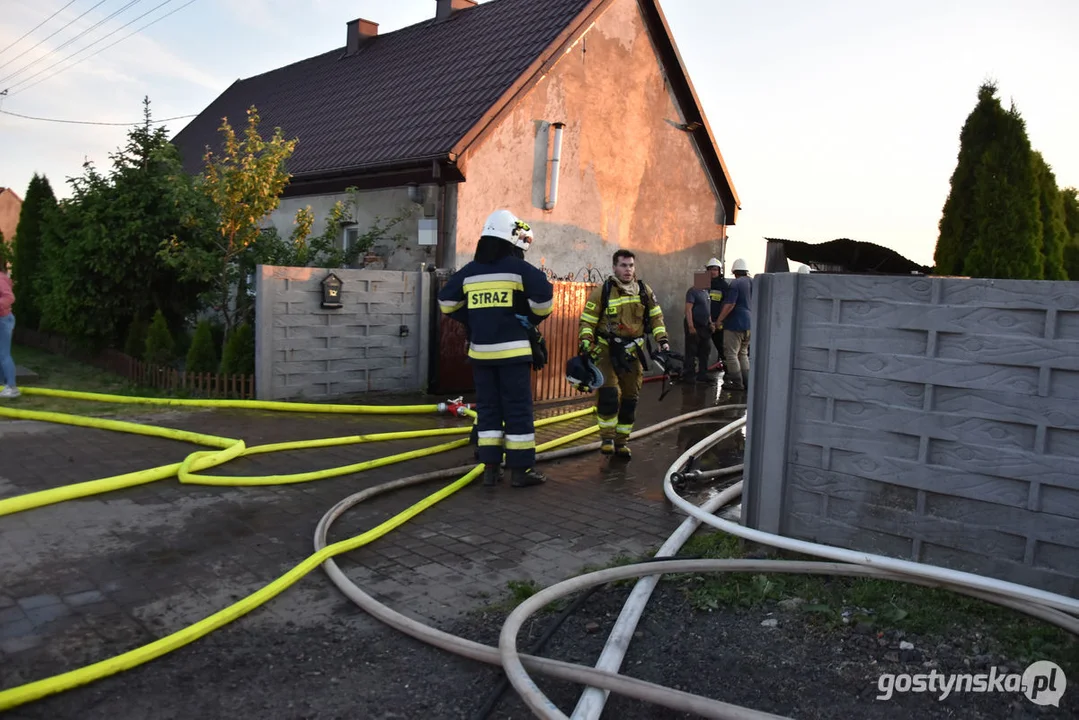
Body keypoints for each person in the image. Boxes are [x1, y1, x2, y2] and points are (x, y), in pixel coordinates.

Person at [438, 209, 553, 488]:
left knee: (489, 410)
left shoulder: (470, 272)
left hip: (481, 354)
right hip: (513, 354)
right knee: (517, 410)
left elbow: (446, 303)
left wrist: (475, 318)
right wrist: (529, 317)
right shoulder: (518, 269)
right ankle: (521, 471)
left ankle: (491, 468)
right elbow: (545, 298)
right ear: (510, 240)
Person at [577, 249, 670, 458]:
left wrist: (662, 340)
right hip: (606, 350)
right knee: (609, 394)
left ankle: (621, 442)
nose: (628, 270)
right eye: (623, 265)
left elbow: (656, 317)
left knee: (631, 398)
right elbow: (588, 320)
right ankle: (607, 438)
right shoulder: (603, 291)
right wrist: (585, 340)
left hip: (632, 352)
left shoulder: (643, 291)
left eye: (631, 266)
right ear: (614, 267)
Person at [715, 258, 752, 391]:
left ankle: (737, 383)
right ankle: (747, 383)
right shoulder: (752, 282)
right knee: (742, 353)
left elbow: (730, 304)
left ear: (734, 271)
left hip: (735, 323)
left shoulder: (736, 284)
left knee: (731, 354)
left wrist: (719, 320)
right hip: (749, 324)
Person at [683, 272, 712, 382]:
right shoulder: (692, 291)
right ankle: (689, 376)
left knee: (705, 351)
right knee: (691, 350)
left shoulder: (706, 293)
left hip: (705, 326)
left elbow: (708, 310)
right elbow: (688, 309)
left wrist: (710, 323)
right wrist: (691, 326)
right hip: (694, 324)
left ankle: (703, 374)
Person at [705, 257, 729, 368]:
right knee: (702, 349)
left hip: (717, 323)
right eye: (710, 269)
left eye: (715, 269)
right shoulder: (701, 281)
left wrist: (719, 322)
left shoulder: (724, 285)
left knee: (722, 348)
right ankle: (701, 373)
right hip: (704, 322)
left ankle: (728, 372)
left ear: (719, 271)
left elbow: (726, 305)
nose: (713, 272)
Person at [0, 267, 18, 399]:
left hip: (3, 320)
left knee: (4, 354)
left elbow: (9, 297)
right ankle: (5, 384)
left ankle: (12, 387)